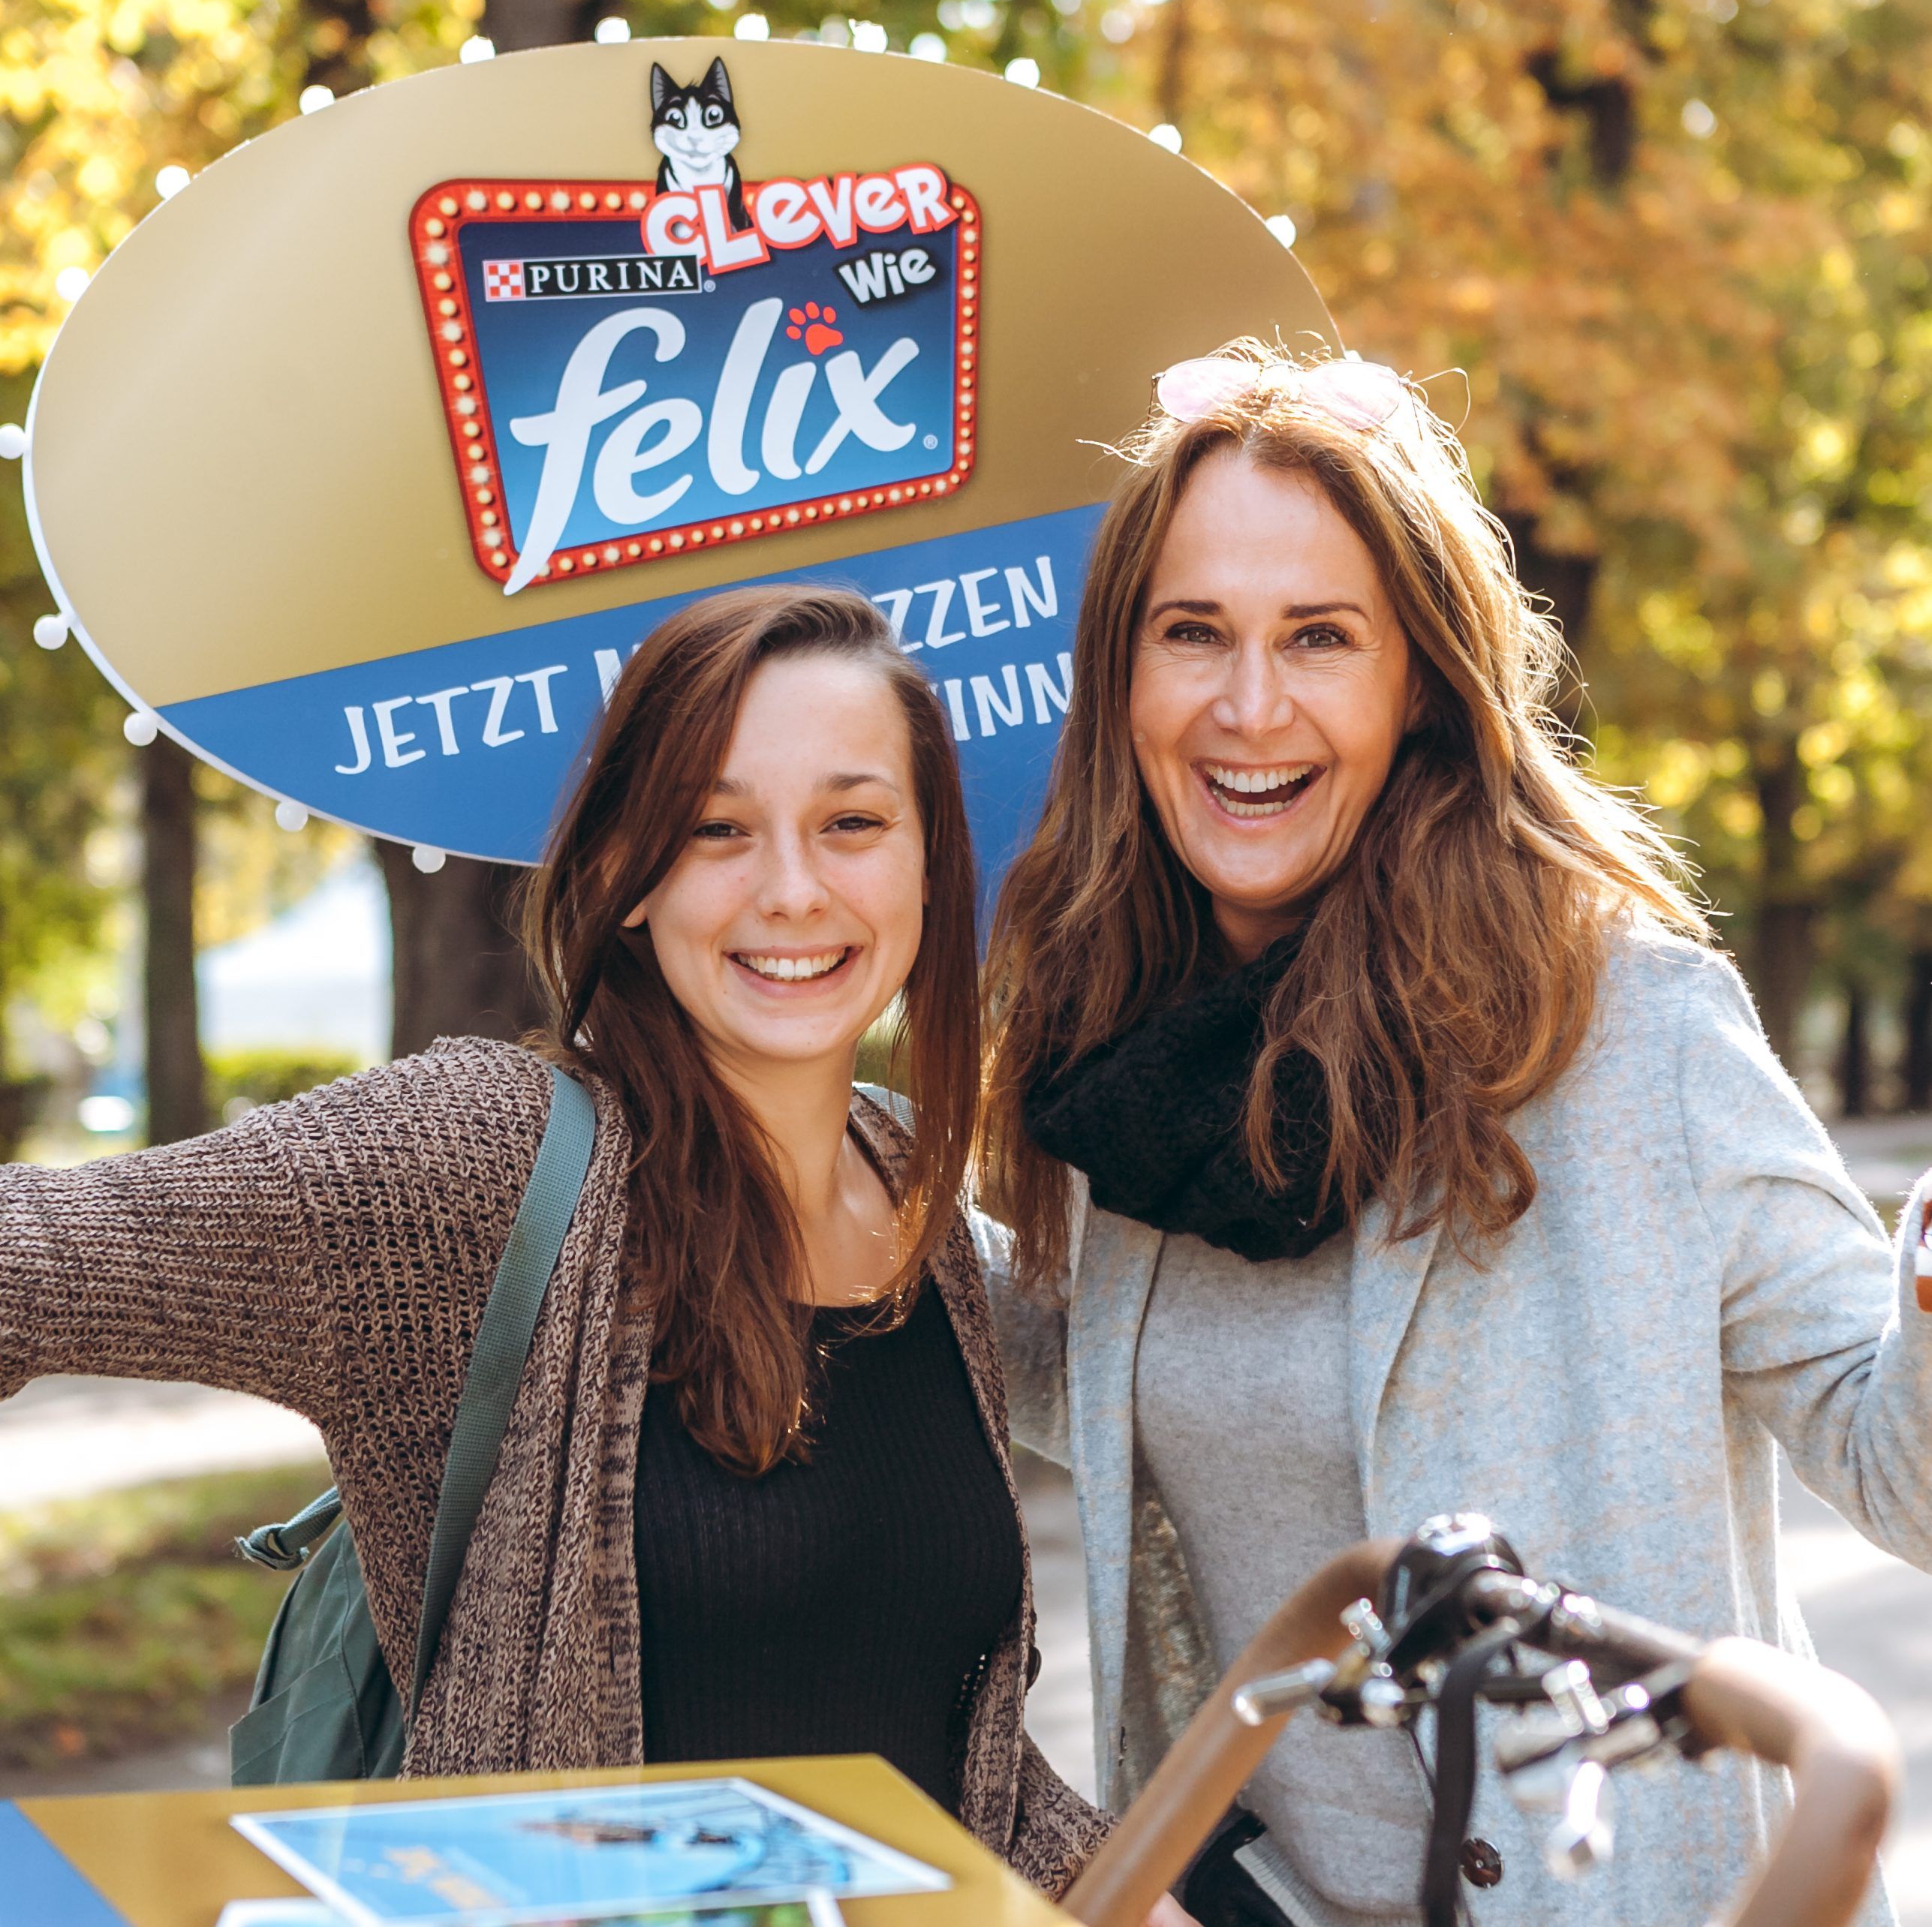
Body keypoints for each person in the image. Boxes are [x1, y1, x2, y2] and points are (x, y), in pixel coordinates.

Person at [975, 346, 1932, 1927]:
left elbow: (1902, 1476)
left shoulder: (1630, 1030)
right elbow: (1050, 1362)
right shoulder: (1115, 1073)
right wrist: (788, 1129)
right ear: (1122, 677)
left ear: (1418, 679)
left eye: (1321, 639)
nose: (1248, 704)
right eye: (1192, 633)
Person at [0, 585, 1108, 1898]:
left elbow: (937, 1751)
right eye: (715, 828)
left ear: (930, 861)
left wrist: (1137, 1877)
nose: (793, 889)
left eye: (852, 822)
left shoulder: (909, 1190)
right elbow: (32, 1261)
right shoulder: (472, 1164)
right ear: (624, 876)